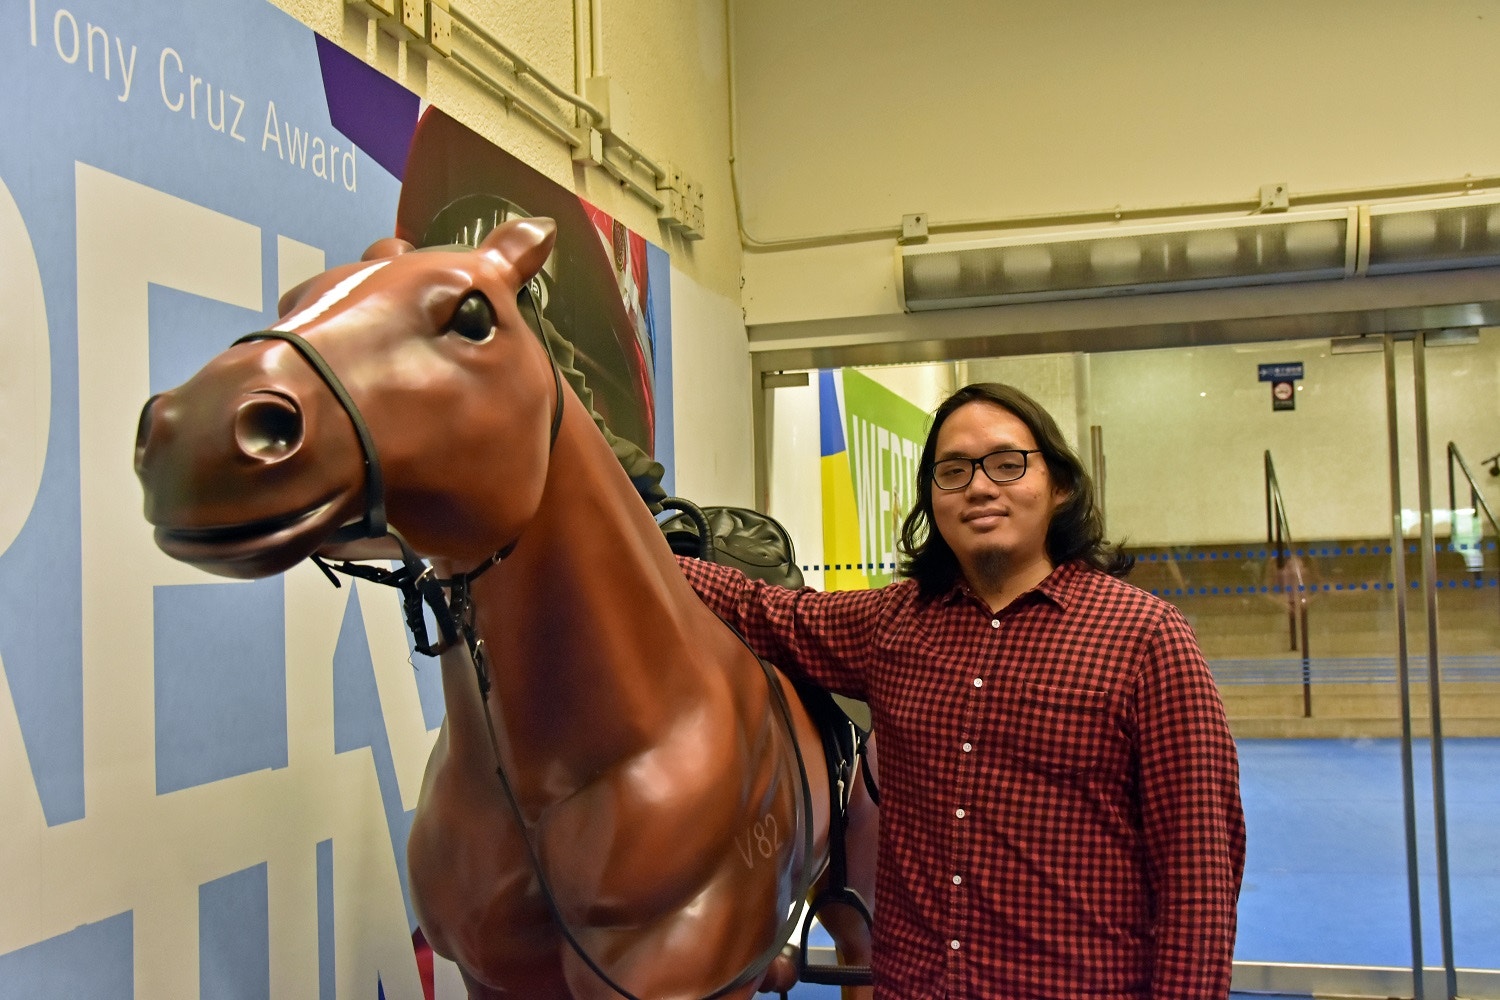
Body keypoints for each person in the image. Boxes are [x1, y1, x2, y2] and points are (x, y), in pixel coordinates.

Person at [676, 382, 1245, 999]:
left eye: (1006, 463)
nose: (978, 487)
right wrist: (630, 541)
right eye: (953, 471)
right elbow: (762, 610)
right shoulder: (893, 624)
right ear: (932, 499)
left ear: (1059, 486)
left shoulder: (1147, 640)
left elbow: (1199, 873)